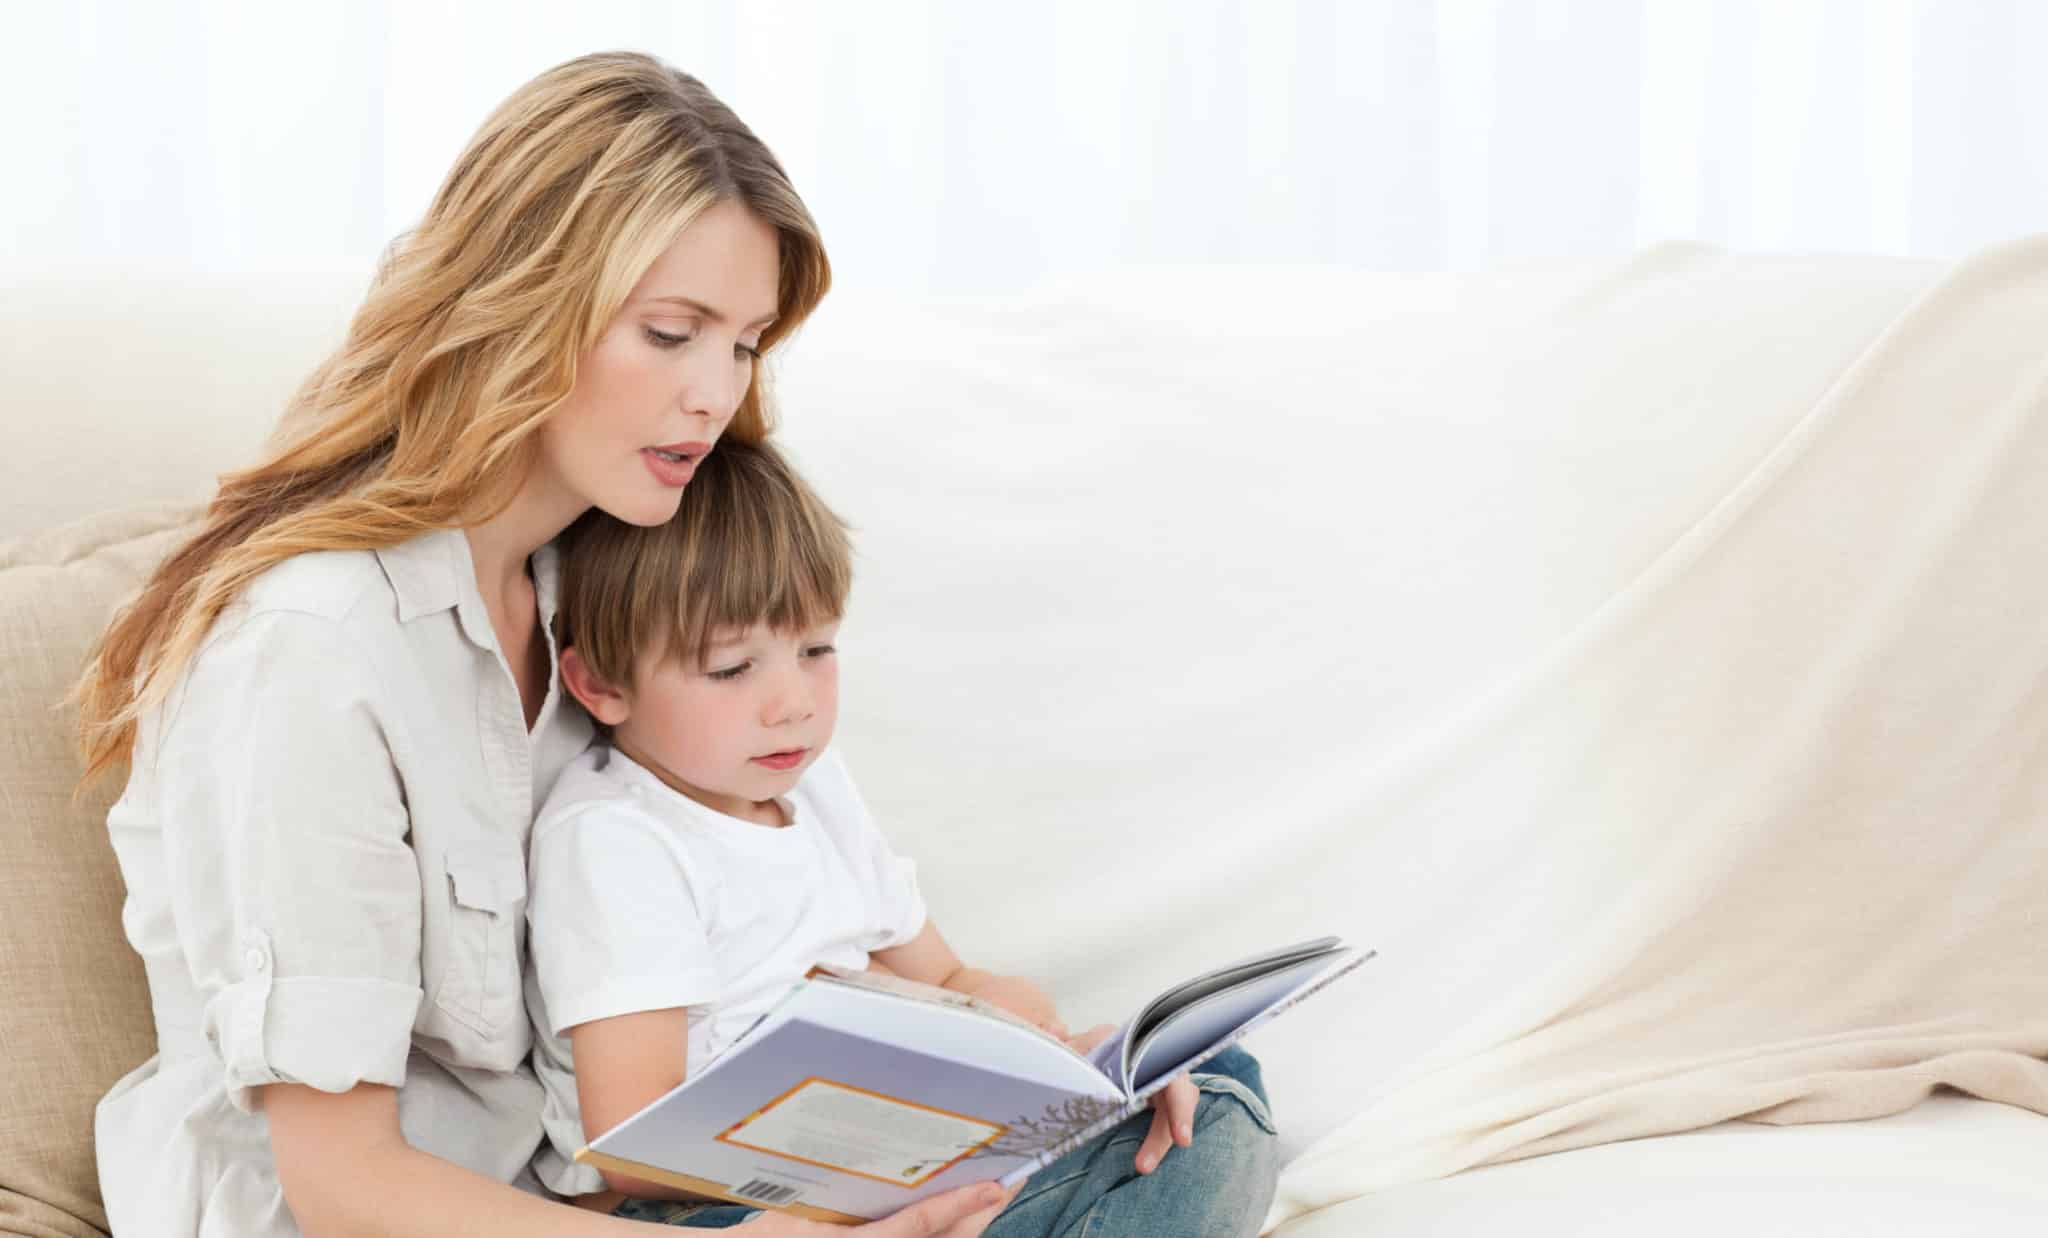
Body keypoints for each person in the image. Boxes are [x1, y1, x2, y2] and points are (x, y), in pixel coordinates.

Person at [75, 51, 1020, 1237]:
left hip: (617, 1205)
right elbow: (342, 1186)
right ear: (523, 302)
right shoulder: (312, 651)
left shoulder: (609, 583)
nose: (713, 394)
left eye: (742, 343)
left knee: (1185, 1115)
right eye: (671, 332)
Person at [528, 437, 1281, 1234]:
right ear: (601, 684)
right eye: (730, 669)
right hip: (721, 1206)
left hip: (896, 1158)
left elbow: (953, 976)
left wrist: (1068, 1064)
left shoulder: (810, 786)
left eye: (815, 650)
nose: (792, 703)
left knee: (1211, 1084)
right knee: (1217, 1127)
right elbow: (634, 1146)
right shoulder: (617, 840)